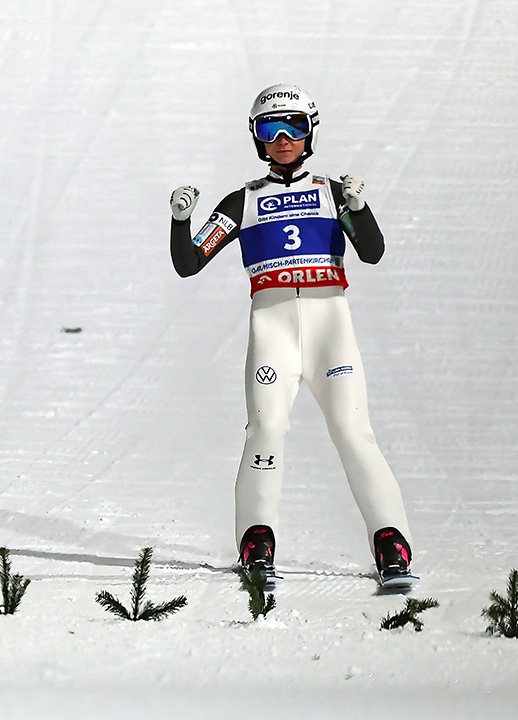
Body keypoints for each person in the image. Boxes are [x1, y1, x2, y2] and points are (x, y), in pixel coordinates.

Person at [169, 83, 415, 589]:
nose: (283, 139)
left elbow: (371, 252)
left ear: (311, 133)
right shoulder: (244, 200)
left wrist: (359, 208)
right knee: (266, 429)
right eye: (269, 129)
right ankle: (257, 541)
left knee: (352, 430)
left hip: (331, 330)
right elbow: (189, 263)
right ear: (257, 138)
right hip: (273, 330)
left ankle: (392, 542)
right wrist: (180, 220)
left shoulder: (331, 193)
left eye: (294, 127)